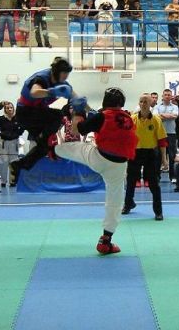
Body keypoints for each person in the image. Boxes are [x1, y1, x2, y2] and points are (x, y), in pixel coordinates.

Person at [56, 88, 138, 254]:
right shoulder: (127, 117)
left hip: (99, 158)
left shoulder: (101, 117)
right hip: (119, 165)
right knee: (115, 202)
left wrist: (77, 112)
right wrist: (85, 106)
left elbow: (76, 130)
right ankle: (106, 240)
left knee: (76, 148)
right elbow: (98, 114)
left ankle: (51, 150)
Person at [9, 57, 79, 185]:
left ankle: (18, 165)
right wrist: (51, 92)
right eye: (64, 73)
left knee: (43, 148)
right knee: (57, 115)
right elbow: (34, 92)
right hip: (25, 113)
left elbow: (77, 98)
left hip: (36, 116)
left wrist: (90, 110)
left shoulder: (63, 84)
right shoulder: (41, 78)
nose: (66, 77)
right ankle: (43, 137)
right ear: (57, 71)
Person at [122, 93, 167, 219]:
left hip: (151, 154)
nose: (143, 104)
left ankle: (158, 212)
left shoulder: (156, 120)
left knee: (154, 183)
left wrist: (164, 159)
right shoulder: (132, 119)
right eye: (141, 101)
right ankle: (128, 204)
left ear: (150, 103)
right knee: (131, 181)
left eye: (145, 102)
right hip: (135, 153)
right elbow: (127, 138)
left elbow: (162, 141)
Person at [0, 102, 24, 187]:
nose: (9, 109)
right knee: (3, 162)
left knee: (14, 161)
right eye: (7, 108)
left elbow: (23, 127)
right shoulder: (1, 119)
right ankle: (3, 181)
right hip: (4, 142)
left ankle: (13, 181)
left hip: (14, 142)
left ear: (13, 109)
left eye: (11, 107)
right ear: (5, 110)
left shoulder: (18, 118)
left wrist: (18, 133)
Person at [153, 89, 179, 183]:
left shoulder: (175, 106)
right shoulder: (157, 107)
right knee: (158, 156)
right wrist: (168, 116)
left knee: (172, 155)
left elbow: (175, 116)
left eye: (169, 95)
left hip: (171, 133)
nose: (167, 96)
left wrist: (162, 116)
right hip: (159, 134)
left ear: (171, 96)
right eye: (165, 95)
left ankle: (173, 176)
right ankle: (157, 177)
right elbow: (155, 117)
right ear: (162, 96)